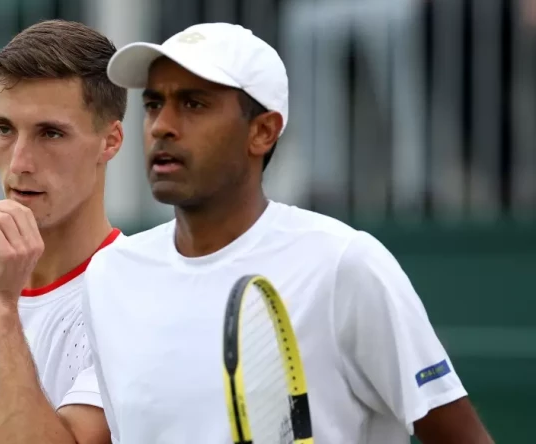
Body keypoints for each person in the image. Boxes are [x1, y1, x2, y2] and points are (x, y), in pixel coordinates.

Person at [82, 23, 493, 444]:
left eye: (193, 104)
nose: (161, 126)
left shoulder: (344, 265)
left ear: (263, 131)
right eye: (153, 104)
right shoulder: (110, 276)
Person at [0, 19, 125, 444]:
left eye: (51, 133)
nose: (19, 162)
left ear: (110, 141)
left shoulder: (133, 295)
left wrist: (1, 305)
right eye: (4, 129)